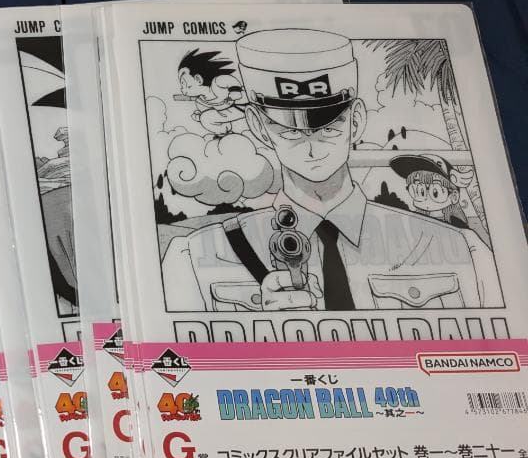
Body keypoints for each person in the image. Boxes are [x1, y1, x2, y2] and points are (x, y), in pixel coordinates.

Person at [162, 29, 500, 311]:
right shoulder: (194, 256)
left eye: (329, 127)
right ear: (258, 126)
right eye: (289, 131)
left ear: (356, 120)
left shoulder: (460, 248)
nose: (312, 146)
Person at [175, 48, 246, 135]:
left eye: (184, 84)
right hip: (232, 112)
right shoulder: (200, 102)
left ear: (198, 79)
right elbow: (209, 113)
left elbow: (231, 81)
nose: (182, 89)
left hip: (243, 104)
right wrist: (199, 116)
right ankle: (225, 132)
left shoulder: (217, 82)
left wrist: (235, 92)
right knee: (205, 118)